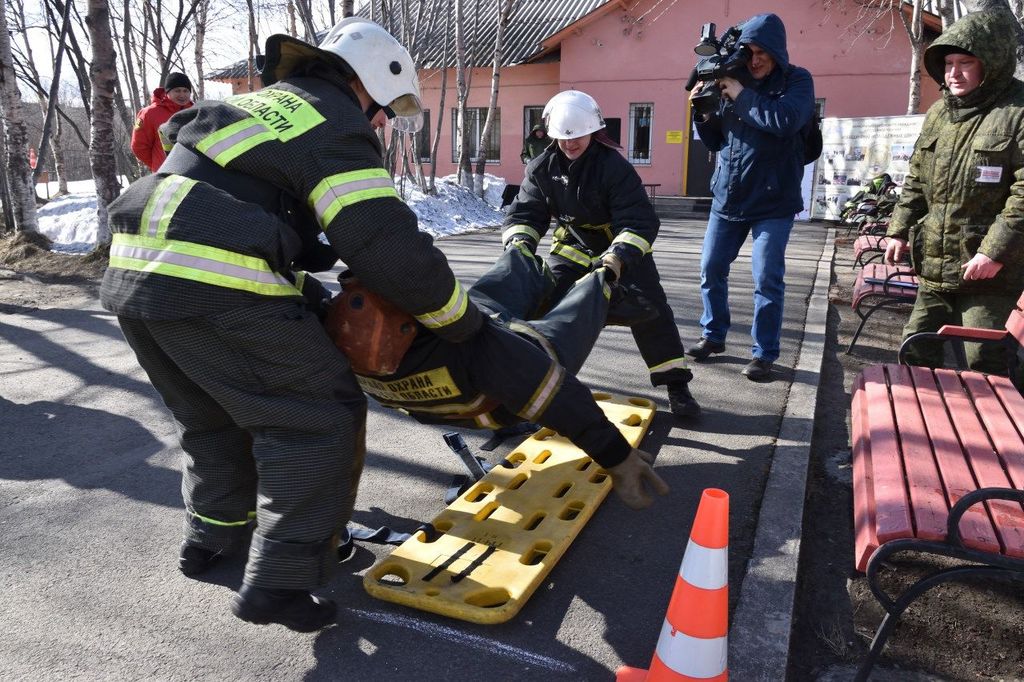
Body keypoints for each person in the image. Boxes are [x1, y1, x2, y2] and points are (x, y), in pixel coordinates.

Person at [99, 18, 665, 634]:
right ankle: (281, 583)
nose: (380, 124)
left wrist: (300, 245)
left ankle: (212, 538)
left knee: (209, 416)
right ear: (365, 85)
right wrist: (460, 322)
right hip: (221, 282)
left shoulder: (253, 107)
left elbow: (227, 189)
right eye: (385, 110)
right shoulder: (335, 124)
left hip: (136, 280)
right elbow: (385, 244)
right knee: (317, 419)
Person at [327, 244, 670, 510]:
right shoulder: (475, 349)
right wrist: (617, 457)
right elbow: (558, 395)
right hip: (510, 388)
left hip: (456, 384)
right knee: (581, 307)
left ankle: (528, 264)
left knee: (510, 271)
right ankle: (606, 293)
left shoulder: (336, 342)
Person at [503, 90, 701, 418]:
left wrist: (617, 258)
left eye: (577, 136)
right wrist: (519, 246)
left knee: (652, 309)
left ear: (593, 131)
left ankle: (676, 386)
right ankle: (535, 391)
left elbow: (638, 221)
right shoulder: (541, 168)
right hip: (573, 250)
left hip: (621, 249)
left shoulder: (613, 167)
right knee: (546, 307)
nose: (570, 144)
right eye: (563, 138)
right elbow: (525, 214)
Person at [884, 9, 1024, 376]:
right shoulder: (939, 114)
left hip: (989, 274)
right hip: (935, 264)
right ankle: (919, 431)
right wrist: (898, 230)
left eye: (966, 62)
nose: (953, 73)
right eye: (948, 63)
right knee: (915, 351)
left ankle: (1000, 433)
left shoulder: (1017, 112)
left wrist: (994, 252)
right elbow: (916, 177)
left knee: (987, 364)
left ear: (990, 64)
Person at [687, 13, 815, 382]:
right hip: (728, 197)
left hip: (774, 202)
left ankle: (764, 354)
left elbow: (786, 121)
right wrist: (703, 113)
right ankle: (713, 336)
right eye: (750, 52)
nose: (756, 60)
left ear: (778, 52)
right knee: (711, 269)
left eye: (763, 52)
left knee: (767, 279)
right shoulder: (732, 78)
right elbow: (715, 142)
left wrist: (741, 96)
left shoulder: (797, 80)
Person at [131, 71, 194, 172]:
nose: (182, 95)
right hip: (165, 174)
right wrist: (158, 164)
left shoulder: (196, 111)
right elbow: (139, 146)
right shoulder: (149, 113)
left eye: (185, 91)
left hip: (194, 174)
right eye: (177, 91)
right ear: (167, 92)